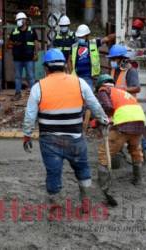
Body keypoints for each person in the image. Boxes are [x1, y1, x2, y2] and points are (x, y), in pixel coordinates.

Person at [22, 48, 108, 212]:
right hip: (75, 138)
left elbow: (30, 115)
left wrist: (27, 135)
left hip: (50, 141)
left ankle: (56, 204)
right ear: (64, 66)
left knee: (53, 172)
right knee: (82, 169)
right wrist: (104, 120)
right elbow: (94, 105)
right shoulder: (79, 82)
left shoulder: (38, 87)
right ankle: (86, 201)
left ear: (46, 68)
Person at [96, 74, 146, 190]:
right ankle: (138, 179)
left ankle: (103, 184)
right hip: (139, 120)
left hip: (124, 122)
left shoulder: (104, 90)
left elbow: (108, 107)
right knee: (135, 150)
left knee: (104, 152)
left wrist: (106, 120)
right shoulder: (122, 92)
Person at [69, 24, 115, 90]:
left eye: (82, 37)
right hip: (77, 76)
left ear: (87, 36)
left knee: (88, 93)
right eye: (79, 37)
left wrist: (119, 34)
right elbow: (69, 59)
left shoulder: (93, 43)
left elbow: (107, 38)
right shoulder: (74, 46)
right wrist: (71, 73)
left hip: (88, 76)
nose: (80, 39)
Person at [7, 12, 39, 101]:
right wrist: (14, 43)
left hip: (29, 58)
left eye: (20, 19)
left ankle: (33, 96)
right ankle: (18, 94)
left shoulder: (32, 30)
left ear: (25, 20)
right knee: (18, 77)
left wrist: (36, 54)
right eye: (17, 20)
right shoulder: (14, 31)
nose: (18, 21)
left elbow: (36, 43)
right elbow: (8, 45)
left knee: (31, 76)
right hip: (18, 59)